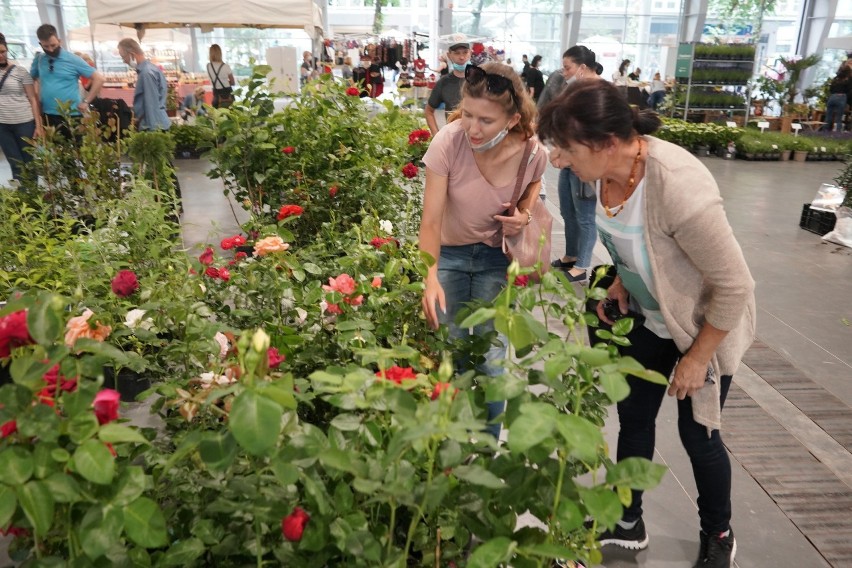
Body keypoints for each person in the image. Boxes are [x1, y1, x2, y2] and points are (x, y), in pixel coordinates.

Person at [538, 80, 756, 568]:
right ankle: (628, 522)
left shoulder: (678, 185)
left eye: (566, 148)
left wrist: (698, 358)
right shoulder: (602, 172)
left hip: (701, 326)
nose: (558, 159)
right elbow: (632, 240)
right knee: (634, 420)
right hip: (649, 314)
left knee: (698, 435)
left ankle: (718, 531)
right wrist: (620, 278)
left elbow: (736, 285)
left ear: (608, 142)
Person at [419, 62, 546, 439]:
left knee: (492, 360)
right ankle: (451, 445)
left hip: (496, 259)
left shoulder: (531, 151)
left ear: (512, 119)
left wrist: (522, 216)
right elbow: (430, 221)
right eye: (468, 114)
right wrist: (429, 276)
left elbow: (534, 185)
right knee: (452, 354)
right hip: (450, 255)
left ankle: (487, 449)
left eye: (486, 121)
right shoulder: (449, 141)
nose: (472, 128)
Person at [541, 45, 601, 283]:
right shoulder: (575, 89)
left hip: (585, 163)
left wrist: (569, 150)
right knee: (568, 210)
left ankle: (583, 265)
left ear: (583, 68)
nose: (563, 72)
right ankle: (571, 255)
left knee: (585, 214)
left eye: (568, 68)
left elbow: (592, 132)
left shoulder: (599, 92)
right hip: (568, 159)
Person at [30, 24, 104, 138]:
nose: (50, 49)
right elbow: (31, 80)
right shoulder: (39, 59)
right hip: (48, 114)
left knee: (76, 151)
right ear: (40, 44)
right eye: (46, 46)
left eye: (53, 45)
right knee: (53, 153)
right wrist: (35, 102)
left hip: (72, 115)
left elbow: (99, 79)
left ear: (59, 41)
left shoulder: (73, 59)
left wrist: (86, 101)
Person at [0, 37, 43, 182]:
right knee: (15, 163)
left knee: (29, 162)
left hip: (24, 122)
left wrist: (38, 125)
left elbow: (33, 98)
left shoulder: (20, 71)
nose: (1, 55)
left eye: (3, 51)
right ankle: (23, 200)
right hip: (2, 125)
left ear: (7, 50)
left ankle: (33, 199)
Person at [117, 38, 170, 131]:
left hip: (154, 126)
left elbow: (151, 105)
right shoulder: (151, 69)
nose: (123, 61)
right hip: (158, 123)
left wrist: (152, 133)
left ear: (132, 55)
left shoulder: (146, 73)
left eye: (123, 57)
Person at [425, 39, 471, 135]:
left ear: (470, 53)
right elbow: (429, 111)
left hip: (478, 140)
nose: (462, 57)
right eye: (457, 53)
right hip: (453, 139)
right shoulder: (443, 83)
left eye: (465, 52)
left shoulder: (480, 80)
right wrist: (436, 135)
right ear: (449, 55)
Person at [823, 64, 851, 132]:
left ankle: (824, 132)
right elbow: (849, 90)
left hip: (832, 96)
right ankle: (837, 133)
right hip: (842, 97)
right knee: (839, 117)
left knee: (828, 116)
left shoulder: (835, 79)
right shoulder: (848, 80)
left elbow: (831, 89)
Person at [207, 44, 234, 108]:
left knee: (218, 114)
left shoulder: (208, 66)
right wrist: (226, 82)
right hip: (228, 93)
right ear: (220, 53)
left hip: (216, 94)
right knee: (230, 114)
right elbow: (233, 82)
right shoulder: (226, 66)